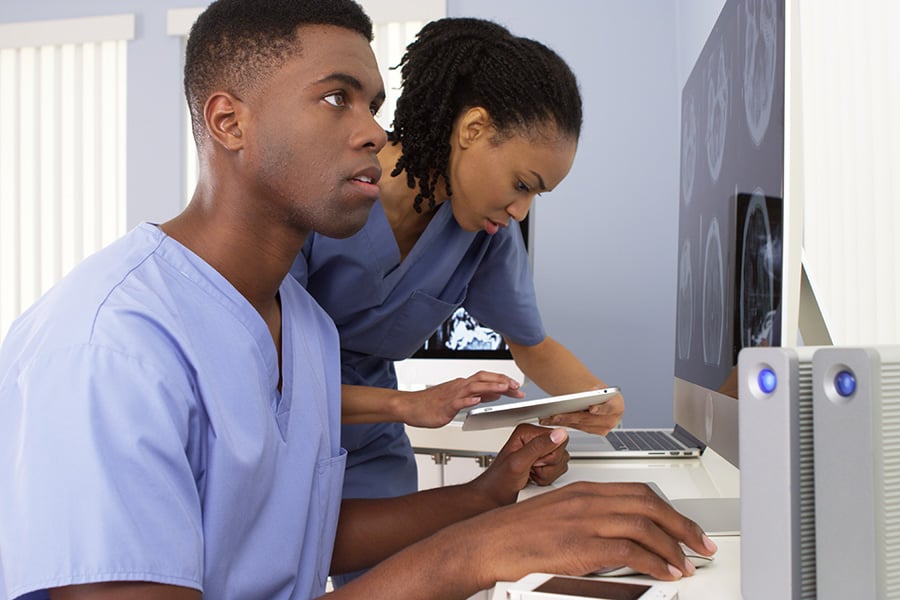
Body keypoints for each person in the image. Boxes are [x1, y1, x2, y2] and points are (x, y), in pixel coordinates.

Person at [0, 1, 715, 598]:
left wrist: (488, 497)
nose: (376, 129)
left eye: (372, 103)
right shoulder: (111, 350)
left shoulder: (304, 330)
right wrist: (477, 548)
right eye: (336, 97)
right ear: (229, 122)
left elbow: (290, 533)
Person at [290, 16, 625, 528]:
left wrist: (599, 402)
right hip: (280, 422)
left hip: (371, 437)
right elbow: (268, 372)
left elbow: (531, 347)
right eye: (521, 184)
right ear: (473, 130)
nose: (521, 210)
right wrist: (410, 405)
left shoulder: (485, 235)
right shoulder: (321, 186)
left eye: (536, 195)